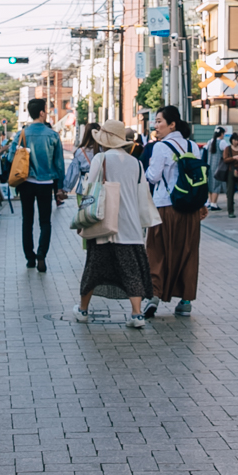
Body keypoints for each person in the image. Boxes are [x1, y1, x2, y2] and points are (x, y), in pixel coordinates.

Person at [68, 122, 154, 328]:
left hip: (104, 223)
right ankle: (136, 315)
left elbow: (91, 189)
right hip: (130, 225)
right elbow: (142, 194)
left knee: (93, 269)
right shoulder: (136, 163)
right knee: (132, 270)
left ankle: (83, 311)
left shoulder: (101, 158)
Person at [143, 105, 204, 317]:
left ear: (172, 124)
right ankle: (185, 301)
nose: (155, 125)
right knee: (187, 252)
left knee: (157, 250)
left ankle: (154, 296)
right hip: (189, 209)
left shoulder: (160, 147)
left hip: (164, 207)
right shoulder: (193, 146)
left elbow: (152, 177)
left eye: (159, 121)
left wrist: (149, 166)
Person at [18, 98, 65, 273]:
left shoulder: (22, 133)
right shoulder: (52, 135)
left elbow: (10, 157)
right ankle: (41, 254)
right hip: (46, 183)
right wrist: (60, 186)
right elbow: (59, 163)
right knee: (45, 221)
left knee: (27, 221)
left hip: (26, 182)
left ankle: (29, 257)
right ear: (42, 113)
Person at [205, 128, 227, 210]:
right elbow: (226, 152)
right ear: (221, 134)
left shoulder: (210, 142)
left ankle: (211, 202)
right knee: (216, 185)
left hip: (209, 166)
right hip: (218, 167)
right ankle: (214, 203)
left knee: (210, 185)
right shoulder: (222, 142)